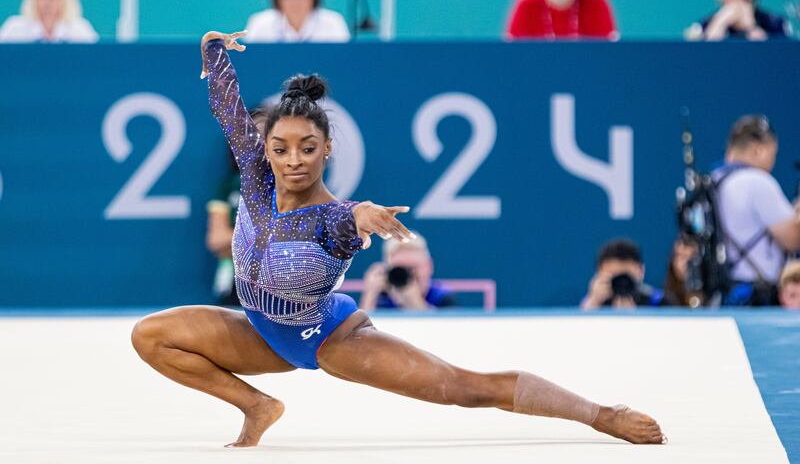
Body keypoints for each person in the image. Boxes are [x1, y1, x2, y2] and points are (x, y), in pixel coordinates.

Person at [131, 29, 664, 449]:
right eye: (281, 147)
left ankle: (603, 415)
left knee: (466, 388)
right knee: (150, 336)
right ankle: (256, 406)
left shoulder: (334, 217)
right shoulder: (252, 174)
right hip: (258, 328)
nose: (293, 160)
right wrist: (213, 52)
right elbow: (227, 108)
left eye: (308, 148)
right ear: (264, 147)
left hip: (327, 336)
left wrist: (365, 215)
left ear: (328, 149)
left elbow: (351, 217)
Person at [713, 115, 800, 305]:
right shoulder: (757, 181)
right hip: (754, 298)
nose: (772, 163)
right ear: (758, 150)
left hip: (722, 296)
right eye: (773, 154)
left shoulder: (715, 180)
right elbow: (794, 239)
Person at [206, 109, 271, 305]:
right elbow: (216, 241)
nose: (257, 143)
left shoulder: (292, 184)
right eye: (250, 135)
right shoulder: (230, 185)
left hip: (280, 283)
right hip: (236, 284)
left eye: (264, 136)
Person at [360, 232, 456, 311]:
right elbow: (361, 331)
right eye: (400, 268)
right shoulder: (381, 296)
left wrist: (414, 302)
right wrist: (370, 295)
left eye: (413, 267)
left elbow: (445, 330)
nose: (408, 274)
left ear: (428, 267)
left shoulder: (441, 297)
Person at [581, 239, 662, 310]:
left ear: (641, 271)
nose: (621, 283)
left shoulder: (658, 302)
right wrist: (594, 301)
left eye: (625, 277)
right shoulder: (594, 304)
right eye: (614, 276)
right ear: (599, 274)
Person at [662, 236, 700, 307]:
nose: (681, 264)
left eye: (688, 258)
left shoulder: (713, 296)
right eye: (678, 256)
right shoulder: (666, 299)